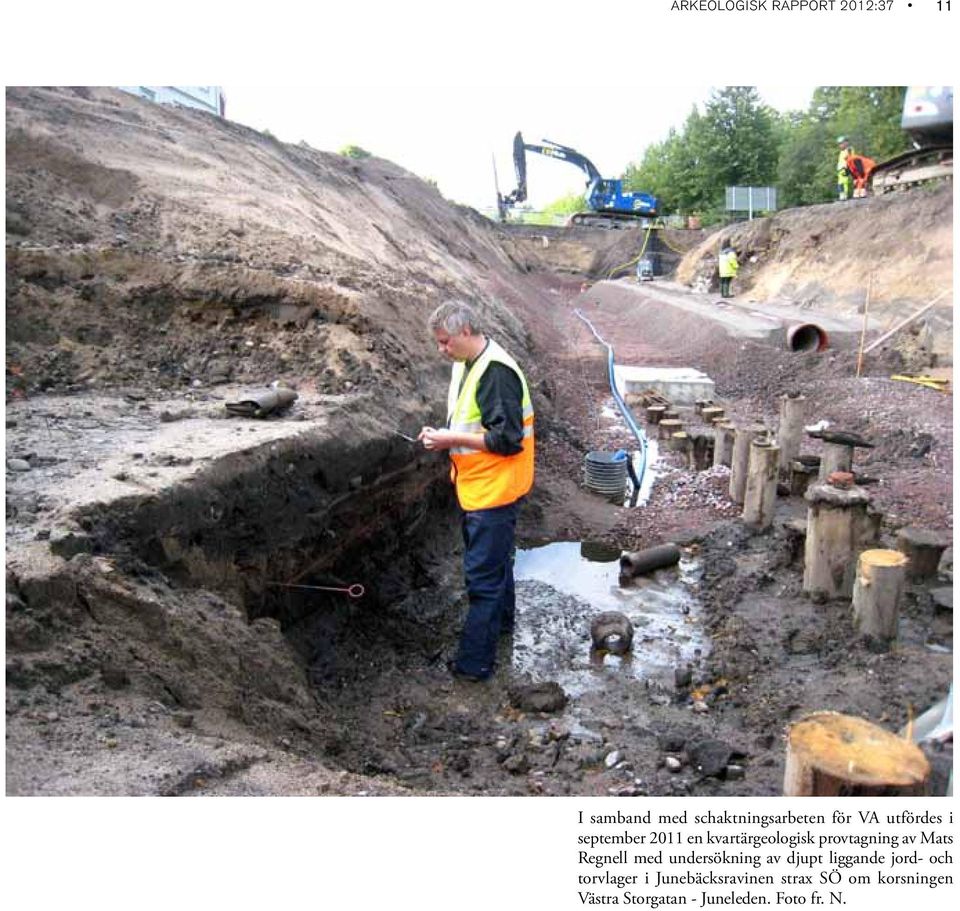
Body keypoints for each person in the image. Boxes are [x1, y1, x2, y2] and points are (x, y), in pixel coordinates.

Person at [419, 301, 535, 682]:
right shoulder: (467, 364)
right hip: (480, 487)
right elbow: (472, 421)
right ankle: (501, 629)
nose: (442, 350)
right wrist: (446, 434)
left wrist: (449, 438)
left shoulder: (496, 373)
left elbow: (508, 439)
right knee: (497, 564)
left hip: (494, 491)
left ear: (465, 331)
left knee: (482, 580)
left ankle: (474, 666)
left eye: (445, 342)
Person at [836, 136, 855, 201]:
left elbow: (850, 158)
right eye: (839, 144)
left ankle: (844, 195)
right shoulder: (842, 151)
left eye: (841, 143)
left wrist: (849, 166)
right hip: (840, 169)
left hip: (845, 168)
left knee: (843, 182)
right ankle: (842, 195)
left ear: (846, 143)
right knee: (841, 182)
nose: (840, 145)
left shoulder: (849, 150)